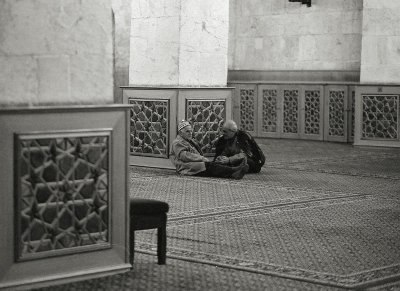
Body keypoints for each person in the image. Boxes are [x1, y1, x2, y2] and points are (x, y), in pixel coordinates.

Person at [170, 120, 249, 179]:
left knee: (213, 166)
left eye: (191, 131)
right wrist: (201, 158)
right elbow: (184, 156)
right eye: (187, 131)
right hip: (186, 167)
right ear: (180, 133)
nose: (190, 133)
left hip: (195, 164)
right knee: (211, 167)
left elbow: (245, 153)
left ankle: (233, 172)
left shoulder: (188, 140)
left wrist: (225, 158)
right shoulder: (177, 143)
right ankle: (234, 171)